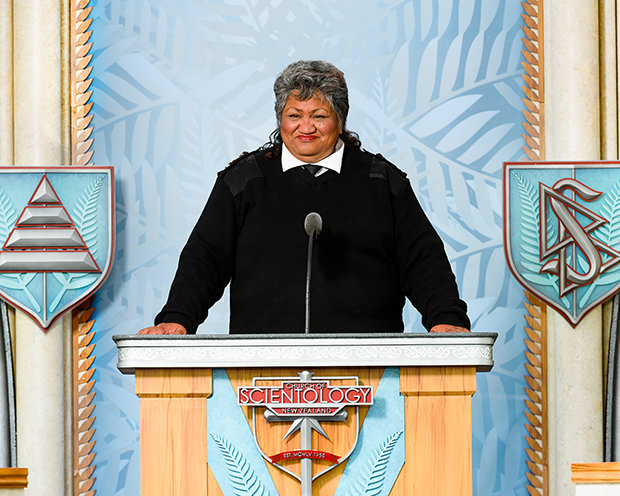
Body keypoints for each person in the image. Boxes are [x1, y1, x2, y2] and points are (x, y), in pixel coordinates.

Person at [138, 60, 470, 335]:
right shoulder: (244, 180)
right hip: (260, 367)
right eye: (294, 115)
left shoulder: (382, 181)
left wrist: (446, 318)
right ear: (280, 119)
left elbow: (423, 259)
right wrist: (178, 318)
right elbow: (205, 259)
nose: (305, 127)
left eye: (319, 116)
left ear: (340, 120)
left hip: (369, 366)